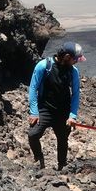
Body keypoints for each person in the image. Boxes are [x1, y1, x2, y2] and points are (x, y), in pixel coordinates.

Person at [27, 42, 84, 170]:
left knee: (63, 139)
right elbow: (33, 88)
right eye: (75, 59)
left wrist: (72, 115)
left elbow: (75, 94)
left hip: (63, 112)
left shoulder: (73, 72)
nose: (77, 62)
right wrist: (34, 112)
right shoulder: (44, 66)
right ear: (67, 57)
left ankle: (62, 165)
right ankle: (39, 157)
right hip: (45, 109)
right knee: (33, 134)